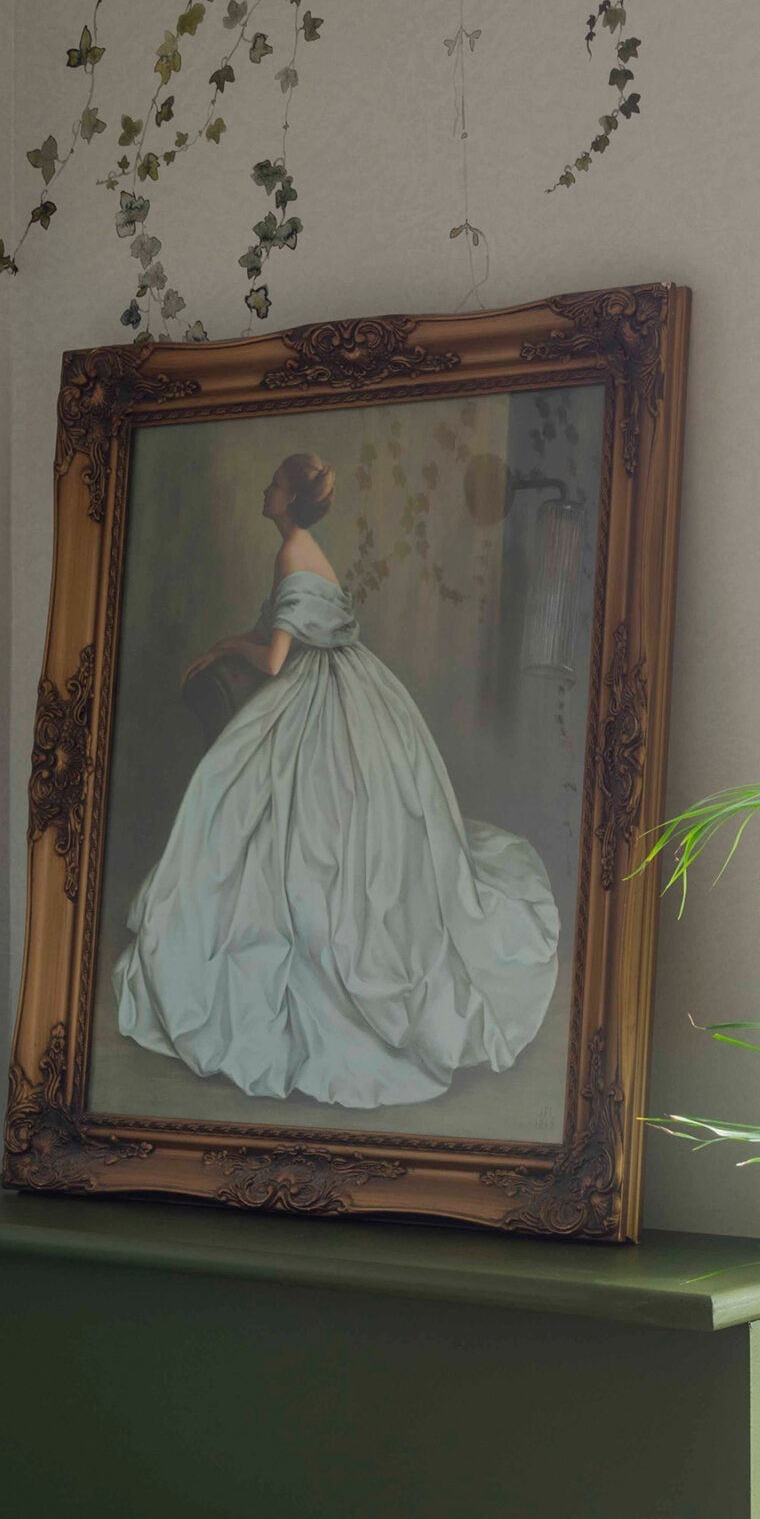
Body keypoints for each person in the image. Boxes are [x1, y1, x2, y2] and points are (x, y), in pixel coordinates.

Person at [113, 451, 559, 1109]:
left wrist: (230, 647)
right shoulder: (305, 547)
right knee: (279, 813)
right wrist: (235, 639)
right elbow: (285, 628)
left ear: (290, 500)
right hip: (353, 682)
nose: (265, 491)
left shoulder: (293, 551)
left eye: (273, 484)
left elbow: (273, 659)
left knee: (274, 814)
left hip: (324, 696)